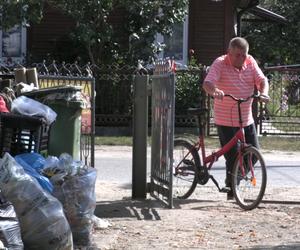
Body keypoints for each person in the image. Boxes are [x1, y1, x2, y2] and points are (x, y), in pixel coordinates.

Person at [202, 37, 270, 199]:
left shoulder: (250, 62)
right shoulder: (220, 63)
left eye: (243, 55)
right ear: (229, 53)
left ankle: (234, 181)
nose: (241, 58)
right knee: (232, 156)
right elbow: (208, 83)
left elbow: (262, 80)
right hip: (225, 119)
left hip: (246, 118)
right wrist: (215, 91)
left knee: (254, 154)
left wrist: (264, 92)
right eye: (237, 55)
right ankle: (232, 190)